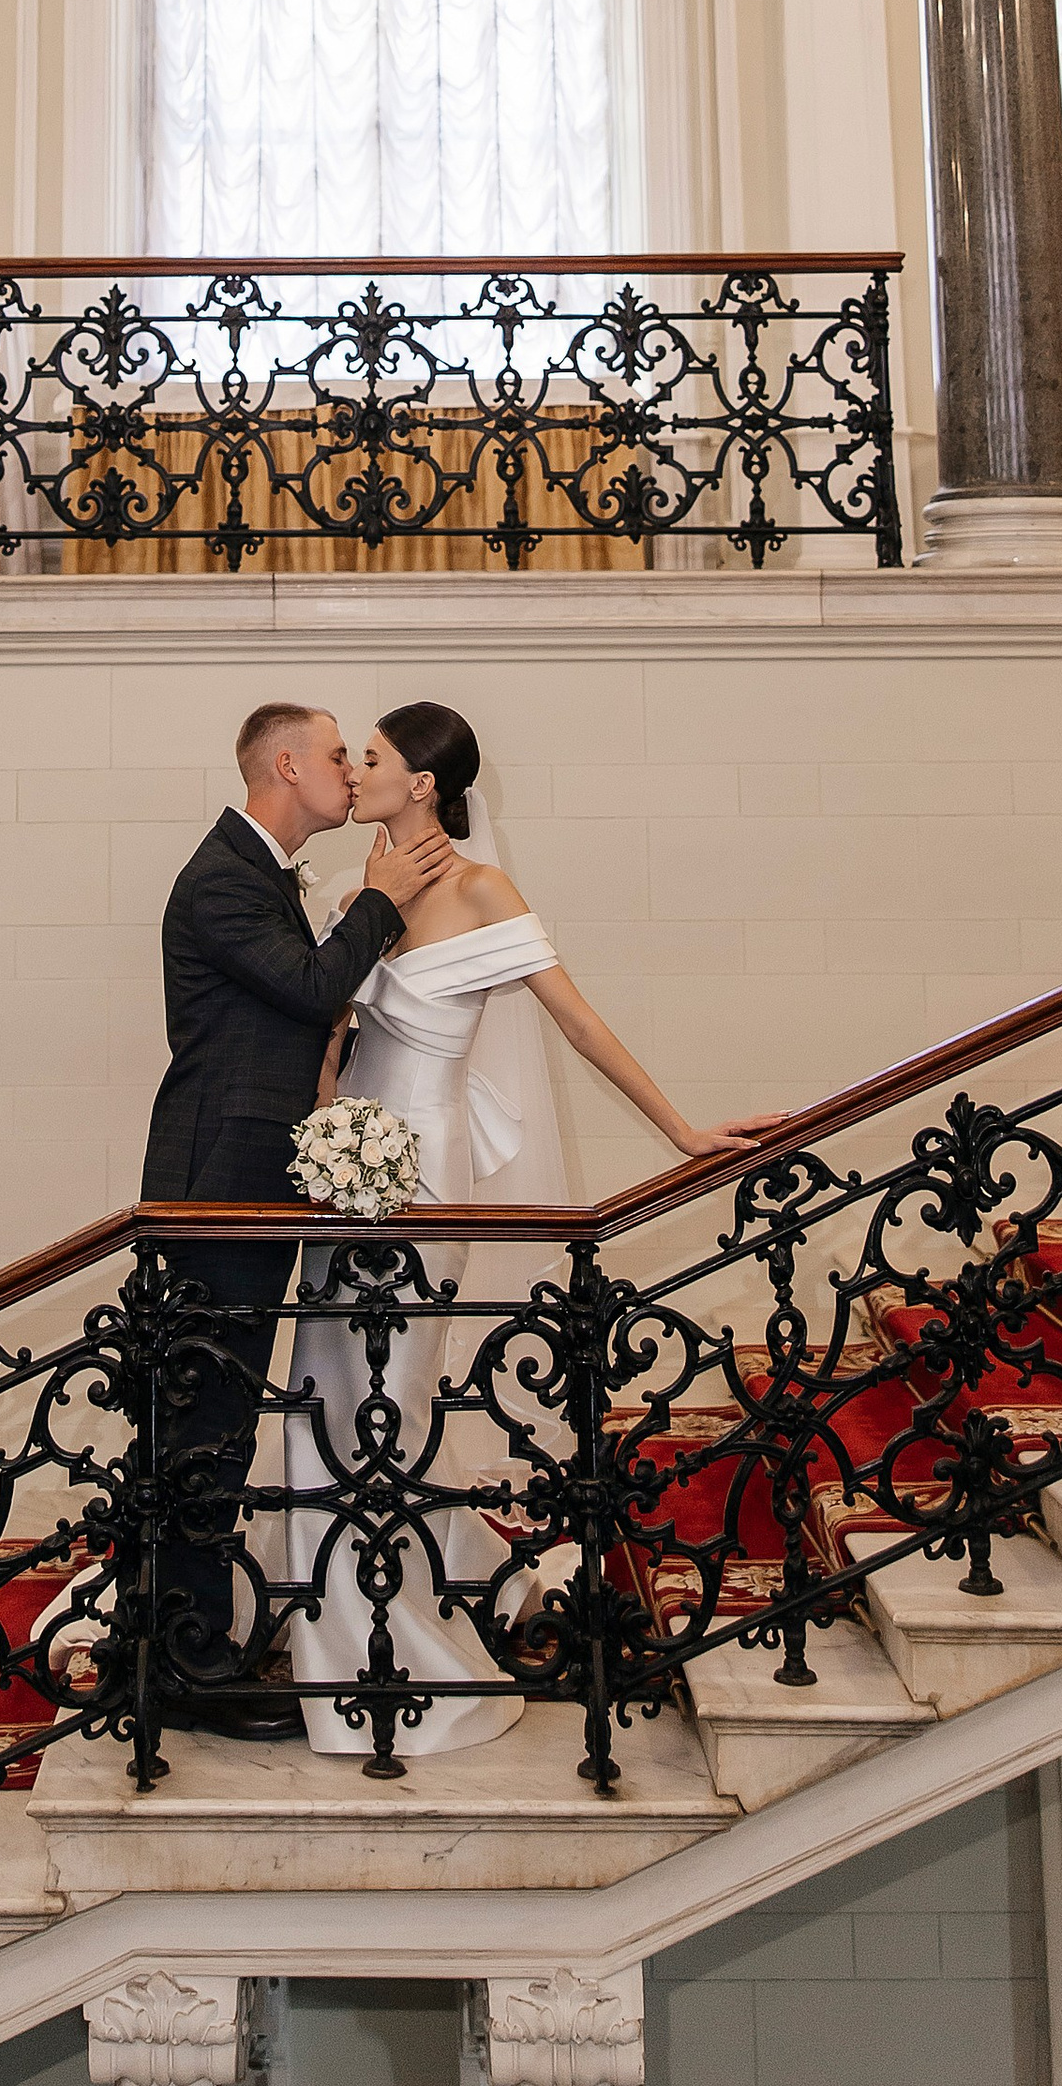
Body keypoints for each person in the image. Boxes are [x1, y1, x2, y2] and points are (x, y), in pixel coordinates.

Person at [282, 701, 789, 1762]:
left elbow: (577, 1019)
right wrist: (315, 1139)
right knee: (321, 1397)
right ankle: (339, 1638)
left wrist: (681, 1129)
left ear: (423, 782)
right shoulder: (354, 888)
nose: (354, 771)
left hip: (425, 1169)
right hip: (342, 1166)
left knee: (389, 1402)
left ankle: (400, 1650)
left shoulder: (481, 891)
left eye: (371, 757)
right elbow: (327, 1030)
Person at [137, 698, 455, 1736]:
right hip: (217, 1184)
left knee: (217, 1419)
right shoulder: (224, 879)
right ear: (284, 766)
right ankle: (186, 1667)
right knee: (202, 1424)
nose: (349, 772)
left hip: (249, 1178)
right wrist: (382, 901)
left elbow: (298, 1015)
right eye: (333, 755)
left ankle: (186, 1645)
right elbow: (312, 985)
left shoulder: (263, 872)